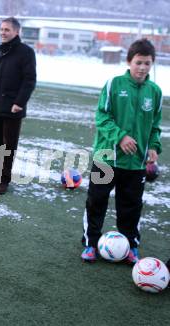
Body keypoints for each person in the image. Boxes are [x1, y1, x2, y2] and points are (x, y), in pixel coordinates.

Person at [81, 38, 162, 264]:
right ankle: (90, 243)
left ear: (152, 64)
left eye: (147, 63)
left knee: (131, 206)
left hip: (135, 163)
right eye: (138, 62)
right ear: (129, 61)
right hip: (105, 157)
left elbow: (155, 126)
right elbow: (102, 117)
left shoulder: (155, 92)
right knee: (96, 201)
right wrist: (121, 136)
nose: (142, 68)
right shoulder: (113, 84)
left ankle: (130, 246)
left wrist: (154, 147)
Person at [0, 17, 36, 195]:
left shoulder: (26, 52)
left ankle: (4, 180)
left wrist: (19, 102)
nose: (3, 32)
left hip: (13, 107)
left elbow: (29, 80)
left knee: (8, 146)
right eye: (2, 29)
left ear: (16, 32)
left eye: (7, 30)